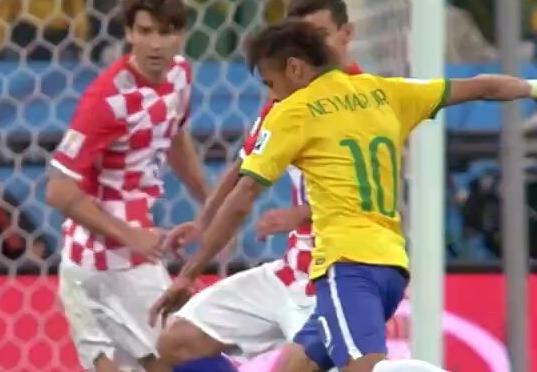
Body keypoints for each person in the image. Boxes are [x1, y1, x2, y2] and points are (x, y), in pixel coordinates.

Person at [154, 18, 537, 372]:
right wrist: (531, 88)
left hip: (346, 266)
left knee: (365, 369)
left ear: (295, 69)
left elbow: (244, 195)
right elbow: (484, 87)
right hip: (389, 266)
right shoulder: (385, 91)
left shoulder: (295, 111)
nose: (271, 95)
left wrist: (189, 273)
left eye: (270, 84)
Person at [150, 0, 359, 372]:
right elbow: (242, 173)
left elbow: (372, 198)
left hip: (339, 281)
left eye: (320, 38)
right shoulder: (284, 101)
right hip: (290, 270)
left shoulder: (365, 102)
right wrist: (204, 222)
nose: (307, 54)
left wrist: (300, 215)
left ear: (347, 35)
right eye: (300, 42)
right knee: (173, 345)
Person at [45, 0, 209, 372]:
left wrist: (210, 202)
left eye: (166, 33)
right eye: (145, 32)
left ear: (181, 35)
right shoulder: (107, 99)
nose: (155, 44)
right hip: (101, 262)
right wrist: (131, 234)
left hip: (129, 255)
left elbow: (173, 137)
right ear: (129, 33)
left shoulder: (180, 76)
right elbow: (59, 190)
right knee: (187, 358)